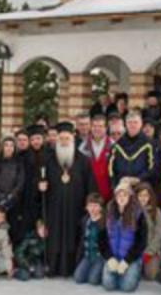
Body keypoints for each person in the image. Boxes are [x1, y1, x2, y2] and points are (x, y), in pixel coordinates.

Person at [40, 122, 96, 277]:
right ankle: (53, 267)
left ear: (73, 139)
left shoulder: (84, 161)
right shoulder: (48, 160)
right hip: (54, 208)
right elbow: (40, 182)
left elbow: (91, 186)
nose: (64, 141)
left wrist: (90, 207)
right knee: (55, 236)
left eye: (67, 138)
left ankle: (71, 268)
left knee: (73, 236)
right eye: (61, 138)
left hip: (76, 208)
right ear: (57, 139)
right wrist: (41, 186)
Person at [99, 182, 147, 293]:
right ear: (115, 197)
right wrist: (109, 257)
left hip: (130, 258)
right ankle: (112, 268)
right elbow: (101, 239)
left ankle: (135, 270)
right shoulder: (108, 212)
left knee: (127, 287)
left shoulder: (138, 214)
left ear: (130, 197)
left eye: (125, 195)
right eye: (119, 195)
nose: (121, 198)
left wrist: (127, 261)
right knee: (108, 285)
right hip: (113, 257)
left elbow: (141, 242)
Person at [0, 137, 25, 246]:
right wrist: (0, 196)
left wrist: (12, 195)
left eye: (11, 146)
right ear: (2, 147)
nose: (9, 148)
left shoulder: (18, 162)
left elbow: (20, 181)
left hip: (13, 201)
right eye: (6, 145)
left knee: (13, 228)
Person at [109, 111, 158, 188]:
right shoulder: (117, 145)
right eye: (130, 122)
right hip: (122, 188)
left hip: (142, 188)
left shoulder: (149, 144)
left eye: (135, 122)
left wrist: (138, 179)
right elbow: (111, 169)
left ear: (141, 124)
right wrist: (116, 185)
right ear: (125, 124)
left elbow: (153, 168)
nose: (132, 125)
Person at [79, 114, 113, 202]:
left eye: (101, 126)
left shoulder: (113, 146)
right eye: (94, 126)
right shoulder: (82, 147)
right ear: (90, 127)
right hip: (88, 193)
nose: (97, 129)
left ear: (106, 128)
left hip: (109, 192)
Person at [74, 193, 105, 286]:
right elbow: (82, 241)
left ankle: (101, 270)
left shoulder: (105, 222)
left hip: (100, 257)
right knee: (78, 278)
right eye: (90, 206)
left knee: (93, 281)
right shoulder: (85, 221)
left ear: (100, 208)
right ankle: (92, 269)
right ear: (86, 207)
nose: (92, 209)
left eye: (95, 206)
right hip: (88, 256)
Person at [136, 181, 161, 280]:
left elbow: (159, 234)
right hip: (135, 249)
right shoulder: (132, 211)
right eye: (140, 195)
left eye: (146, 195)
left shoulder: (156, 211)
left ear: (150, 196)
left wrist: (149, 252)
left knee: (151, 275)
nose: (143, 198)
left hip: (150, 250)